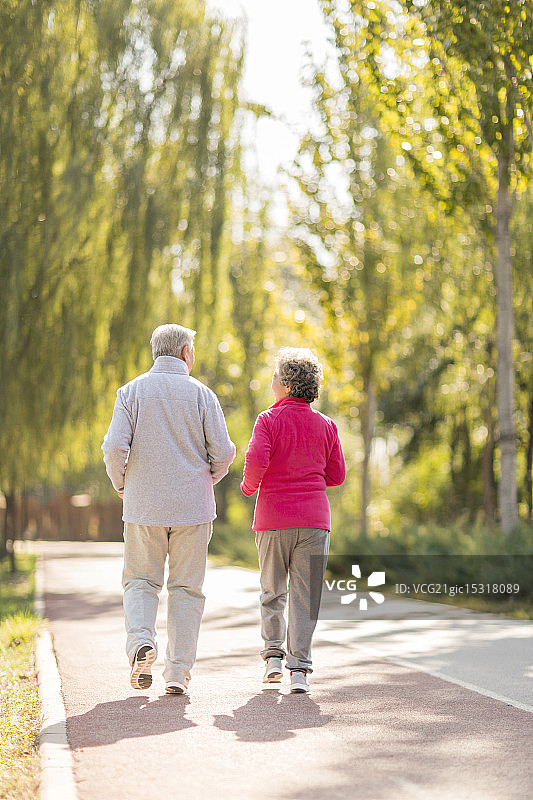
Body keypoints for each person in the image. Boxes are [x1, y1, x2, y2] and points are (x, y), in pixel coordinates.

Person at [102, 324, 236, 694]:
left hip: (143, 506)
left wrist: (123, 485)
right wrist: (208, 478)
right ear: (184, 352)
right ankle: (177, 672)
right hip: (193, 508)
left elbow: (114, 447)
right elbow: (224, 452)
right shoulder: (202, 394)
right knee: (186, 589)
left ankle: (141, 643)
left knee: (140, 581)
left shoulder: (131, 392)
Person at [241, 347, 346, 693]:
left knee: (273, 590)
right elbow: (337, 475)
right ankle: (299, 671)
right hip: (315, 521)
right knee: (306, 596)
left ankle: (273, 659)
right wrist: (309, 477)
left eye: (275, 375)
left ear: (286, 384)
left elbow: (257, 459)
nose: (271, 380)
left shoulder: (268, 420)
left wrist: (249, 487)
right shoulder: (327, 425)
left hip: (273, 519)